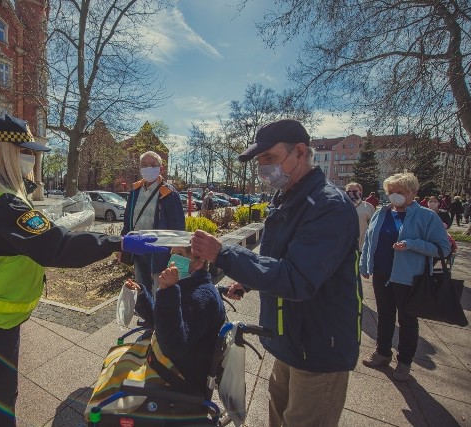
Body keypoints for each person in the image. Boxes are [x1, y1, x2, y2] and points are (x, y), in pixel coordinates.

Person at [0, 114, 165, 427]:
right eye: (24, 152)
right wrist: (119, 241)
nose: (31, 159)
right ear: (6, 152)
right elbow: (56, 245)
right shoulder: (4, 204)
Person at [191, 119, 361, 427]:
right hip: (289, 339)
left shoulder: (327, 205)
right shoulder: (287, 199)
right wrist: (248, 278)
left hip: (319, 347)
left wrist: (224, 253)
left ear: (299, 151)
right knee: (278, 413)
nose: (264, 168)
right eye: (260, 162)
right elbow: (275, 258)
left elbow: (297, 278)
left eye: (270, 158)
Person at [360, 173, 450, 382]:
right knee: (385, 315)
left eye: (400, 192)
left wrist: (412, 244)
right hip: (382, 273)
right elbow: (369, 241)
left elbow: (443, 248)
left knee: (408, 320)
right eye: (391, 192)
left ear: (413, 192)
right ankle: (382, 353)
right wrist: (364, 265)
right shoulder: (382, 212)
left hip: (409, 277)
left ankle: (404, 362)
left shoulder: (427, 216)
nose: (394, 196)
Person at [124, 246, 225, 391]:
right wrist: (140, 295)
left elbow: (172, 346)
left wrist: (168, 291)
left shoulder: (203, 296)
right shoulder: (190, 285)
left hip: (180, 376)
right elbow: (161, 321)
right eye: (172, 254)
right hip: (174, 361)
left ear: (199, 263)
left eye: (180, 254)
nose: (172, 259)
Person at [121, 151, 185, 295]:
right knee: (141, 284)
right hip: (137, 246)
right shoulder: (135, 191)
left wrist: (177, 252)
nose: (149, 168)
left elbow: (178, 225)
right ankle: (146, 314)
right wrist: (122, 243)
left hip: (159, 250)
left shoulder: (169, 193)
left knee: (160, 286)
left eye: (153, 165)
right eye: (144, 165)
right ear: (140, 168)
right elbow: (128, 219)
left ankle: (159, 316)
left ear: (161, 168)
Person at [345, 182, 376, 251]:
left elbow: (373, 226)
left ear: (361, 192)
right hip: (343, 245)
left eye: (355, 191)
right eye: (349, 191)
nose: (351, 193)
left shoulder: (368, 207)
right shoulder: (340, 206)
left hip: (361, 245)